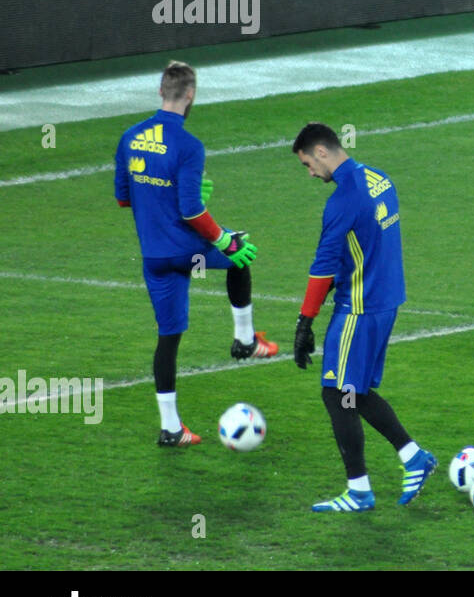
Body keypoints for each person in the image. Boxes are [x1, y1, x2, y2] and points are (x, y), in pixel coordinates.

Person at [114, 61, 278, 448]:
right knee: (242, 251)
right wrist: (224, 240)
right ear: (190, 95)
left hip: (154, 259)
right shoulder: (189, 145)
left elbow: (125, 198)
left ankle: (171, 429)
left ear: (160, 91)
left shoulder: (130, 136)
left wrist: (165, 198)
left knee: (167, 339)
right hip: (188, 253)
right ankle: (244, 340)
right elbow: (191, 211)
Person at [290, 122, 437, 512]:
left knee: (336, 393)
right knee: (357, 392)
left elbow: (323, 266)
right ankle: (413, 458)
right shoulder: (378, 177)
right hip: (387, 299)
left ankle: (359, 491)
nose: (310, 173)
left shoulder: (343, 200)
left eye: (308, 164)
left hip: (359, 306)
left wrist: (305, 322)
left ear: (322, 152)